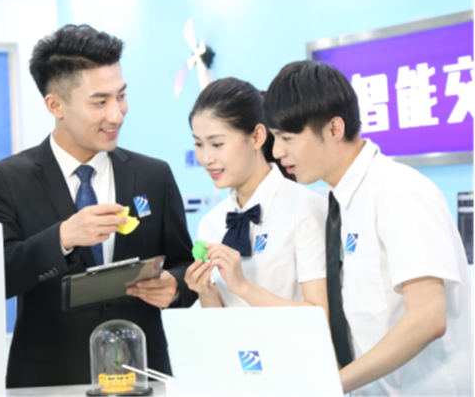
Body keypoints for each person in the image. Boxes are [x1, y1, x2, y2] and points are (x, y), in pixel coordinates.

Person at [0, 24, 196, 388]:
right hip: (49, 379)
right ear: (55, 105)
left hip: (143, 374)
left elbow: (184, 263)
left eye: (121, 96)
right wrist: (62, 237)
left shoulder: (153, 175)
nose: (117, 115)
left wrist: (176, 285)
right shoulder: (6, 180)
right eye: (99, 102)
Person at [263, 60, 473, 396]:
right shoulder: (337, 200)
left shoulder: (398, 192)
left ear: (334, 128)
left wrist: (331, 385)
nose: (277, 151)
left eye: (287, 137)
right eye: (275, 137)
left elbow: (428, 318)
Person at [184, 77, 328, 314]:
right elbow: (217, 324)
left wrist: (243, 287)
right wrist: (206, 293)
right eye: (199, 144)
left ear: (257, 137)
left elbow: (320, 314)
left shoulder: (306, 209)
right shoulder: (210, 223)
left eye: (217, 144)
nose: (206, 158)